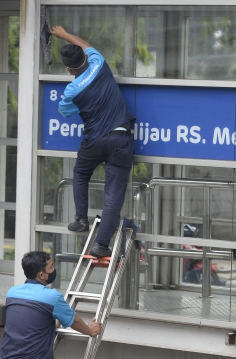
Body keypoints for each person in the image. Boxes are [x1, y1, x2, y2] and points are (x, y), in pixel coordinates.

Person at [51, 26, 135, 258]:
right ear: (85, 57)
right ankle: (101, 245)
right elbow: (85, 44)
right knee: (114, 194)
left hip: (95, 140)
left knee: (80, 173)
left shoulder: (71, 91)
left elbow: (63, 112)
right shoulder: (98, 62)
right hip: (121, 137)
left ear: (68, 69)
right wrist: (64, 34)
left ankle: (80, 219)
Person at [0, 251, 101, 358]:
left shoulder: (12, 293)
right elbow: (74, 320)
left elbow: (35, 323)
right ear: (41, 275)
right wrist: (90, 330)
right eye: (51, 267)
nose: (54, 270)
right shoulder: (52, 297)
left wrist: (58, 317)